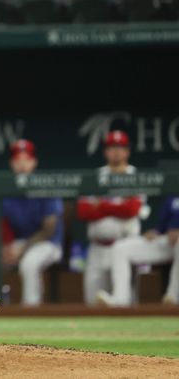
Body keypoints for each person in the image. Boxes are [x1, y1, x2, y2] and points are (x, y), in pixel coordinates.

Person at [77, 130, 149, 305]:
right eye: (112, 147)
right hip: (97, 247)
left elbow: (131, 209)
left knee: (125, 300)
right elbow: (83, 211)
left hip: (125, 245)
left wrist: (101, 205)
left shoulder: (136, 176)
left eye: (120, 147)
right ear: (105, 152)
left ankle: (128, 334)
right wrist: (117, 207)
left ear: (127, 151)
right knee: (92, 300)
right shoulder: (95, 176)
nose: (116, 151)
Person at [0, 140, 64, 306]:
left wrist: (22, 248)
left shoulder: (46, 186)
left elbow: (49, 229)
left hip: (48, 244)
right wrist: (7, 247)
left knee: (30, 262)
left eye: (25, 160)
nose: (21, 164)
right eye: (17, 160)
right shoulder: (6, 189)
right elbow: (1, 224)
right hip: (20, 243)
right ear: (11, 164)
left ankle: (31, 308)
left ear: (33, 162)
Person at [97, 196, 179, 306]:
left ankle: (173, 297)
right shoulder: (172, 197)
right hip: (167, 240)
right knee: (120, 248)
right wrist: (157, 231)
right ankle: (120, 300)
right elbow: (163, 225)